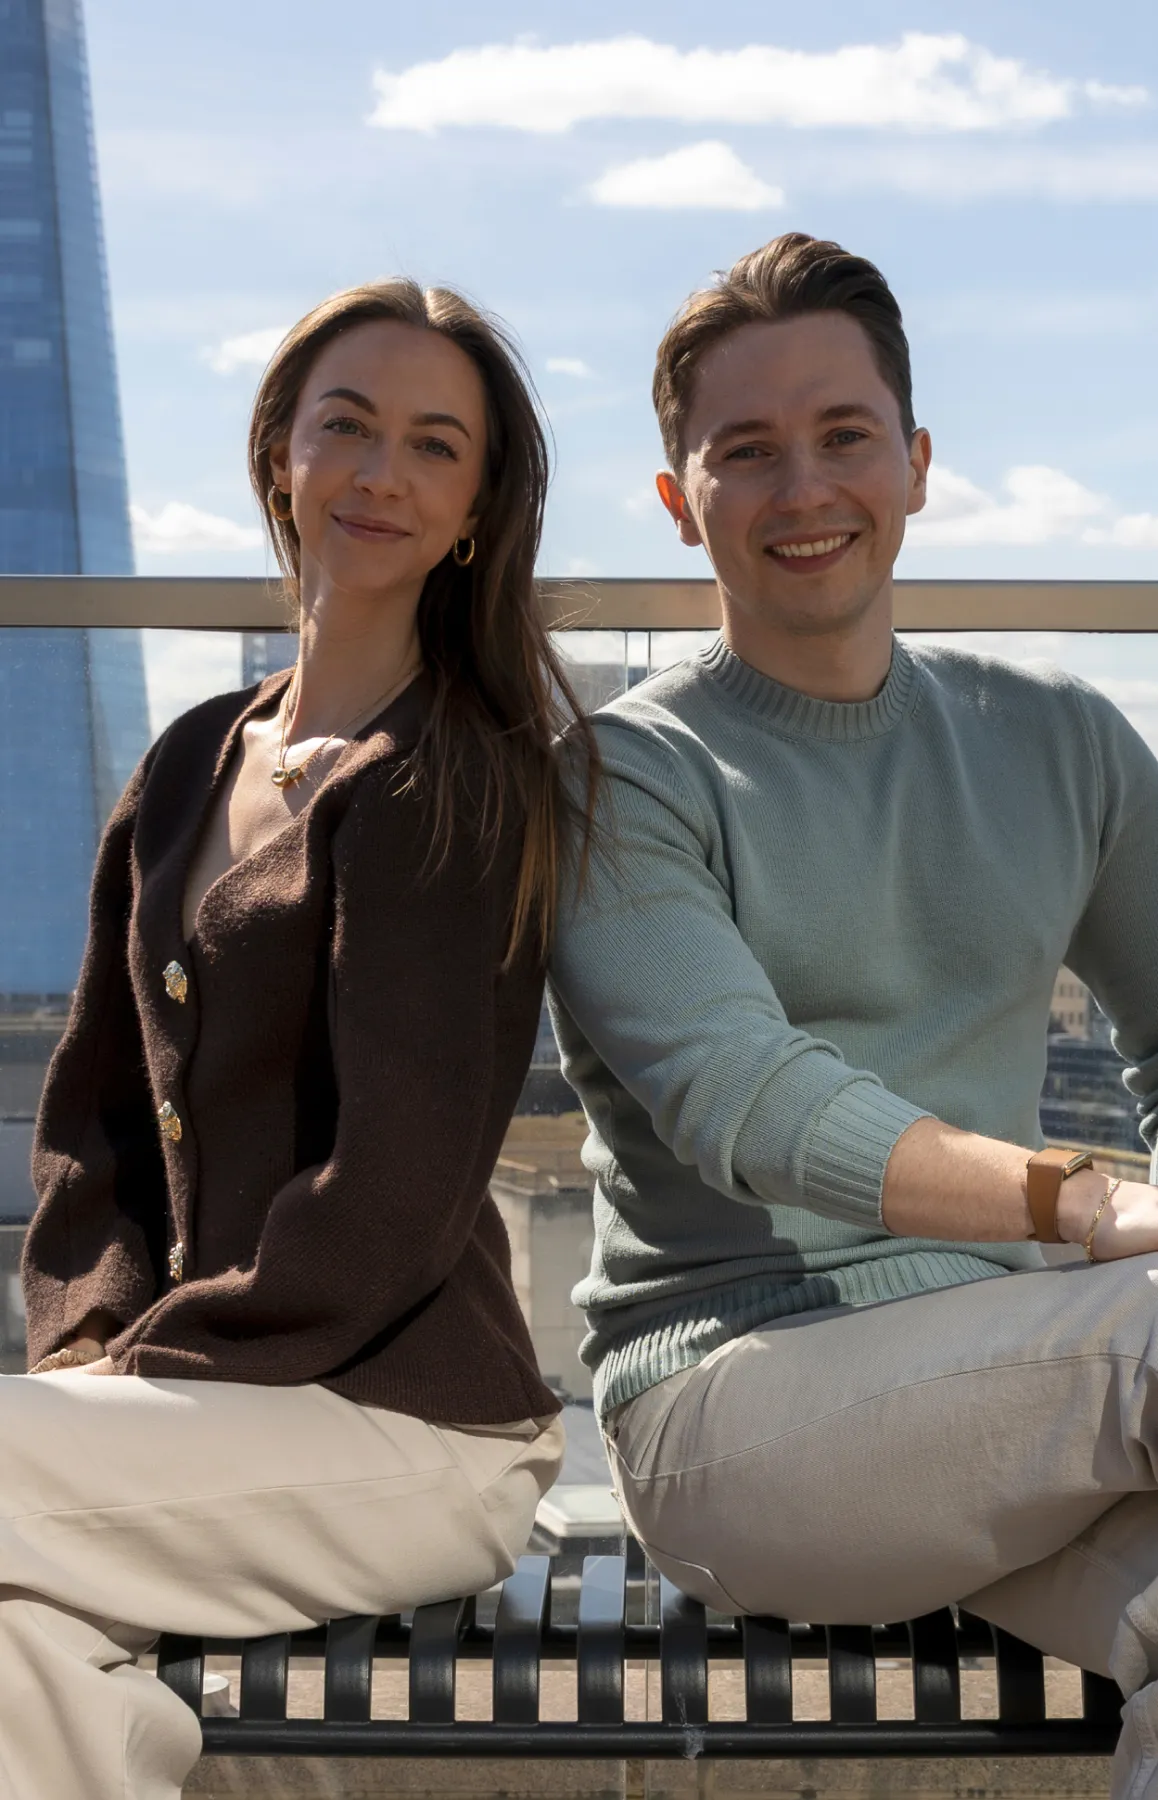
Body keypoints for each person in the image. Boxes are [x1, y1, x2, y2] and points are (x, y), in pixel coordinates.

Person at [548, 232, 1158, 1797]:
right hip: (735, 1407)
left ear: (916, 463)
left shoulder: (1063, 742)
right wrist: (1072, 1199)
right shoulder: (626, 776)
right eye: (744, 453)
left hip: (1013, 1400)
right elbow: (744, 1100)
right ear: (682, 503)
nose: (801, 488)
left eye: (841, 437)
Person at [13, 277, 596, 1800]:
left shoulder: (451, 785)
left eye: (431, 445)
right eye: (344, 425)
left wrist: (138, 1376)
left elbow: (391, 1196)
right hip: (200, 1416)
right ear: (281, 450)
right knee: (25, 1663)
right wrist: (86, 1347)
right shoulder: (194, 758)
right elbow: (91, 1131)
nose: (379, 473)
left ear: (474, 510)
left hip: (411, 1426)